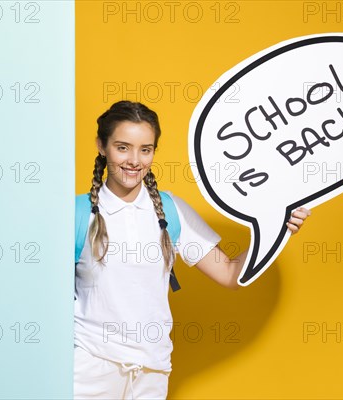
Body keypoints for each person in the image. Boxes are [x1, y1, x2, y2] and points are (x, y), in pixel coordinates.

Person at [73, 100, 311, 400]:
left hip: (152, 370)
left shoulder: (172, 211)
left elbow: (230, 275)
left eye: (145, 149)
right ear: (101, 146)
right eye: (123, 147)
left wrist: (278, 229)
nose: (134, 160)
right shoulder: (76, 213)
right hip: (90, 369)